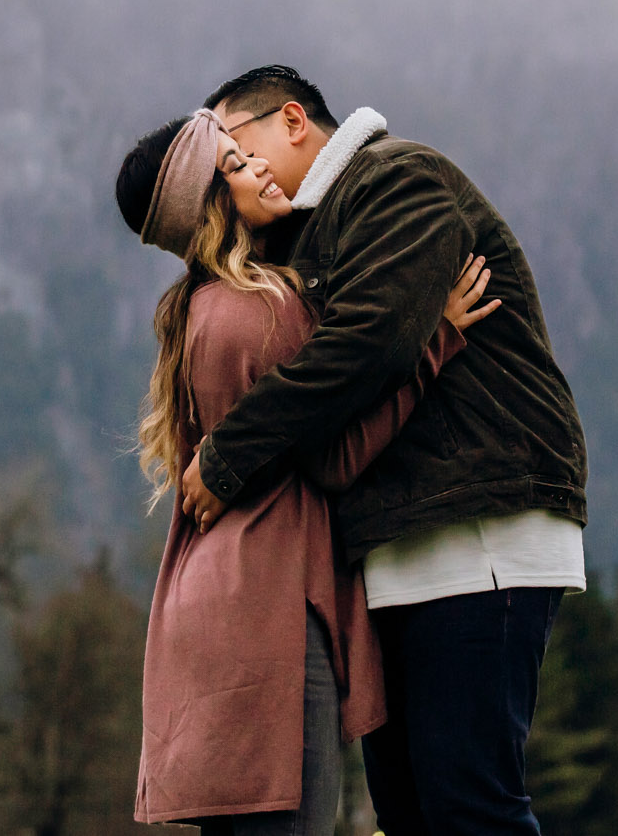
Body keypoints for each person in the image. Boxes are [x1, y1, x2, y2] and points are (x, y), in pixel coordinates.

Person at [158, 66, 589, 835]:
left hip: (476, 523)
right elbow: (329, 436)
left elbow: (369, 345)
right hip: (398, 546)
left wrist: (229, 455)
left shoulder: (396, 181)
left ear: (293, 120)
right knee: (413, 812)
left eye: (237, 140)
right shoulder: (296, 242)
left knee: (471, 805)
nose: (239, 164)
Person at [122, 107, 501, 833]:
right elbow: (337, 456)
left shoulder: (197, 310)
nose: (259, 165)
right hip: (269, 614)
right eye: (234, 165)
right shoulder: (265, 307)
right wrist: (436, 338)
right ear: (208, 207)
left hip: (210, 610)